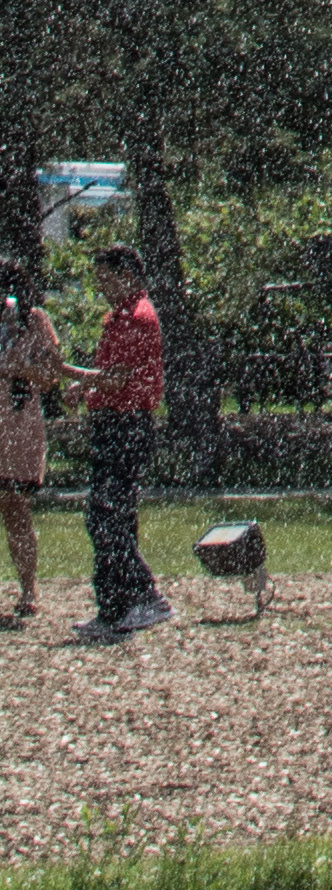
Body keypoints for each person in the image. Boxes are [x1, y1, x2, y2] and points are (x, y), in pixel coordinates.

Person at [70, 241, 166, 641]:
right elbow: (109, 380)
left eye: (106, 278)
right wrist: (85, 389)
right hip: (112, 422)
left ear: (127, 275)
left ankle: (144, 595)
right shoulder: (119, 317)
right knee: (114, 516)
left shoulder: (139, 318)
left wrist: (66, 371)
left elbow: (118, 380)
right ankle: (113, 608)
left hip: (128, 426)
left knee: (105, 515)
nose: (102, 287)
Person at [0, 270, 63, 625]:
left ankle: (28, 590)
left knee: (14, 507)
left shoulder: (33, 321)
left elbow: (51, 376)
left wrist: (23, 368)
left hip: (17, 423)